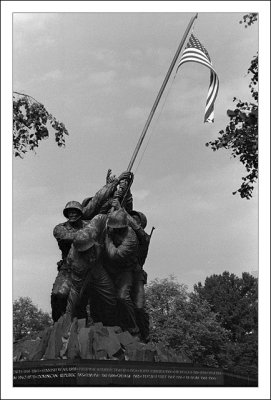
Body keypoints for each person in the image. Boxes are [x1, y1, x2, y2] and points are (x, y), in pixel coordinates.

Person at [87, 209, 140, 335]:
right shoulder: (107, 226)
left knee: (122, 297)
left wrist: (107, 238)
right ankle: (103, 323)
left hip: (124, 270)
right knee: (98, 294)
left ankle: (133, 328)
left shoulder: (131, 237)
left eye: (117, 228)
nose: (113, 230)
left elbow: (114, 255)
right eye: (111, 227)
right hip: (107, 268)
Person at [64, 227, 118, 326]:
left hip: (97, 269)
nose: (89, 251)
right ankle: (67, 321)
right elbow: (76, 288)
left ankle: (112, 323)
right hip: (81, 275)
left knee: (111, 296)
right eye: (86, 250)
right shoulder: (76, 261)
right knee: (75, 299)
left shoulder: (92, 236)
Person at [51, 201, 91, 322]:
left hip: (87, 267)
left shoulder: (88, 224)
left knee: (82, 299)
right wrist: (87, 234)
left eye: (75, 211)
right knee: (58, 294)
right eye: (70, 212)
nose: (72, 214)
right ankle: (58, 321)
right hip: (67, 267)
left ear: (80, 213)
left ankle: (81, 322)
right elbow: (66, 237)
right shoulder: (60, 228)